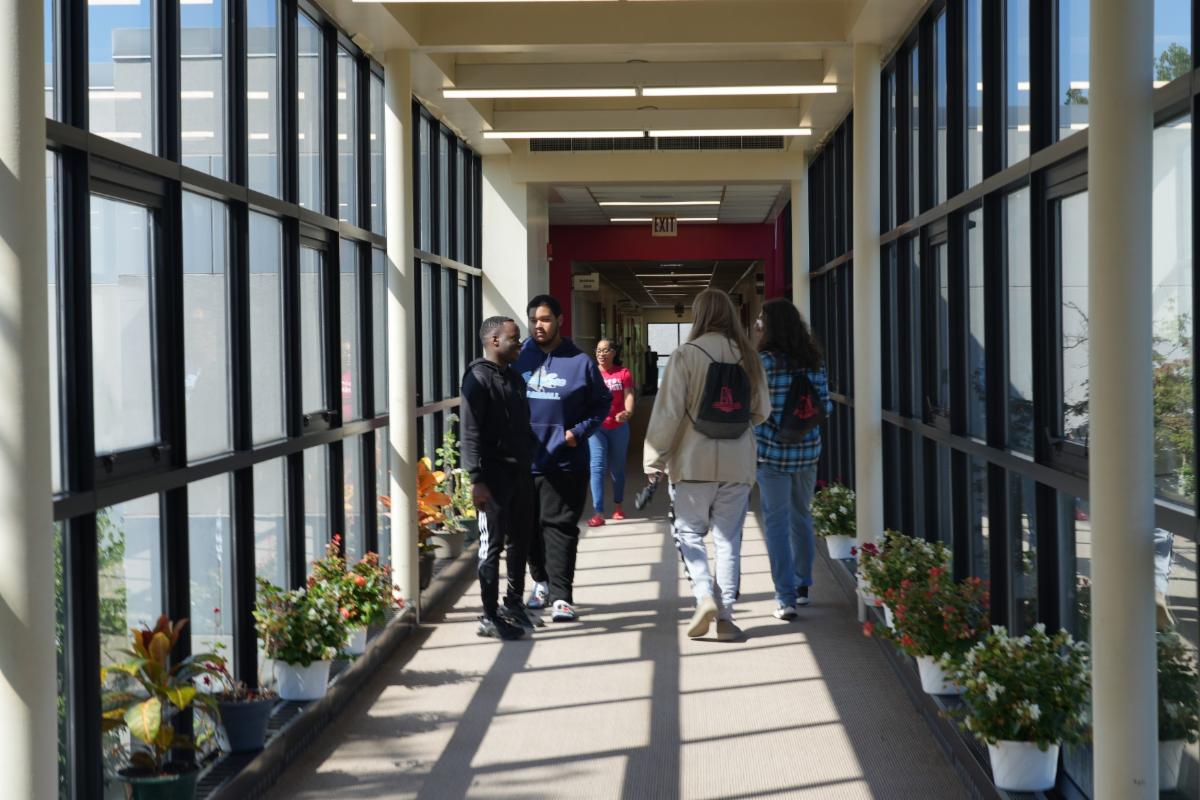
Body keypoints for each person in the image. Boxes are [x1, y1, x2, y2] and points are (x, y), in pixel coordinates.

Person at [644, 289, 769, 641]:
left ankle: (704, 596)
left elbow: (668, 413)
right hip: (737, 461)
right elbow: (761, 411)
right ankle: (726, 617)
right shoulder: (749, 356)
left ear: (699, 316)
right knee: (728, 540)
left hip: (692, 460)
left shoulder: (685, 354)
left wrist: (654, 458)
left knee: (689, 533)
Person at [517, 295, 611, 622]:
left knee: (559, 529)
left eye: (545, 319)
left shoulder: (580, 362)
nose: (538, 326)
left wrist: (577, 433)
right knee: (528, 530)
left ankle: (561, 597)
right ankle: (540, 582)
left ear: (560, 320)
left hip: (566, 462)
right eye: (533, 320)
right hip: (525, 462)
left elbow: (602, 404)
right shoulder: (519, 357)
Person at [460, 316, 540, 640]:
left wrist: (530, 453)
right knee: (491, 546)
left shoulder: (514, 378)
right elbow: (470, 432)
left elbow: (522, 425)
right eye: (514, 338)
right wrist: (476, 479)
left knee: (520, 539)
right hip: (492, 478)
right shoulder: (477, 379)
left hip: (520, 473)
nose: (520, 343)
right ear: (494, 341)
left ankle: (513, 604)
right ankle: (489, 616)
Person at [752, 299, 832, 621]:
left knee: (776, 523)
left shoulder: (763, 363)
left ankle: (784, 598)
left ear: (769, 325)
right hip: (808, 450)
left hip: (771, 453)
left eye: (761, 319)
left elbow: (755, 411)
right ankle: (803, 586)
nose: (757, 324)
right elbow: (825, 406)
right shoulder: (814, 361)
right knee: (802, 516)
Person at [587, 339, 636, 527]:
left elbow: (629, 395)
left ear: (613, 353)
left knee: (617, 469)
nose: (601, 354)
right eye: (598, 350)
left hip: (618, 427)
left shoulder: (623, 373)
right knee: (597, 467)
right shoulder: (590, 372)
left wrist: (628, 412)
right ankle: (598, 512)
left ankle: (618, 506)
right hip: (597, 428)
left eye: (605, 350)